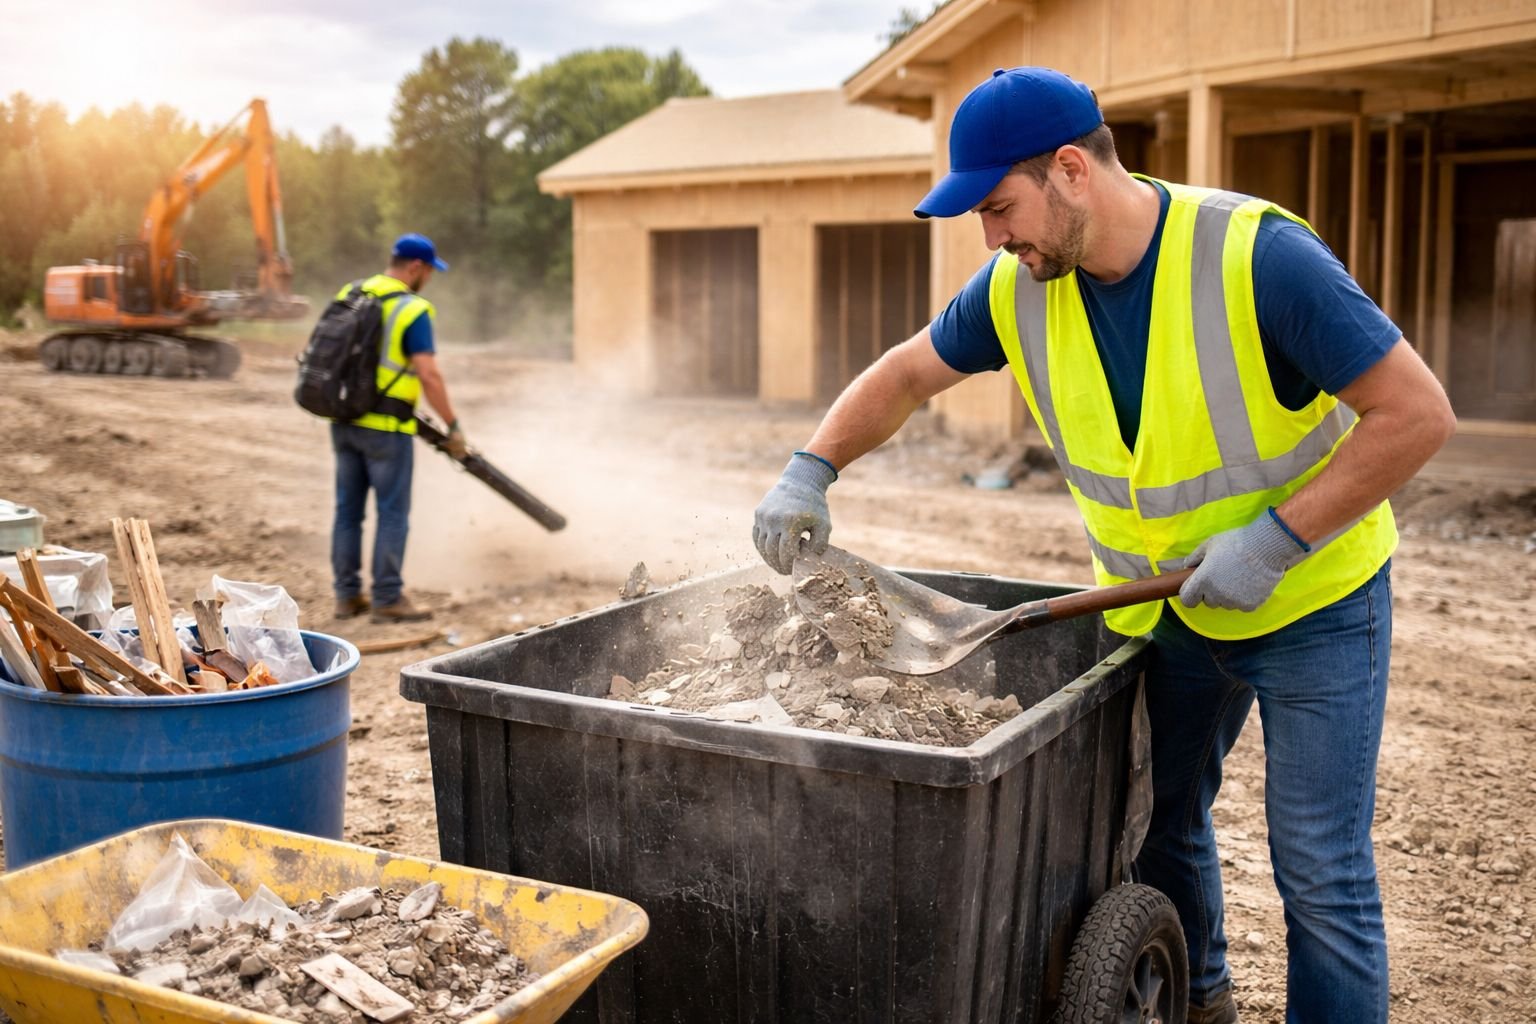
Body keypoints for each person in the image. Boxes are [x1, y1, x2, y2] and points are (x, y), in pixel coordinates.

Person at [752, 67, 1455, 1023]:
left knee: (1319, 872)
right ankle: (1198, 1001)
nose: (993, 238)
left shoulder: (1260, 259)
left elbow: (1416, 414)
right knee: (1160, 829)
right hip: (1158, 611)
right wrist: (812, 466)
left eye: (1000, 208)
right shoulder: (1019, 287)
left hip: (1316, 605)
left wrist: (1278, 541)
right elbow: (908, 374)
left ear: (1072, 170)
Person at [330, 232, 468, 624]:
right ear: (415, 267)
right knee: (392, 513)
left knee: (348, 512)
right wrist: (453, 426)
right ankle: (387, 598)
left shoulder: (354, 292)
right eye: (429, 271)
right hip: (387, 428)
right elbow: (429, 374)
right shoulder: (412, 309)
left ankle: (347, 596)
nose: (429, 279)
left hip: (343, 420)